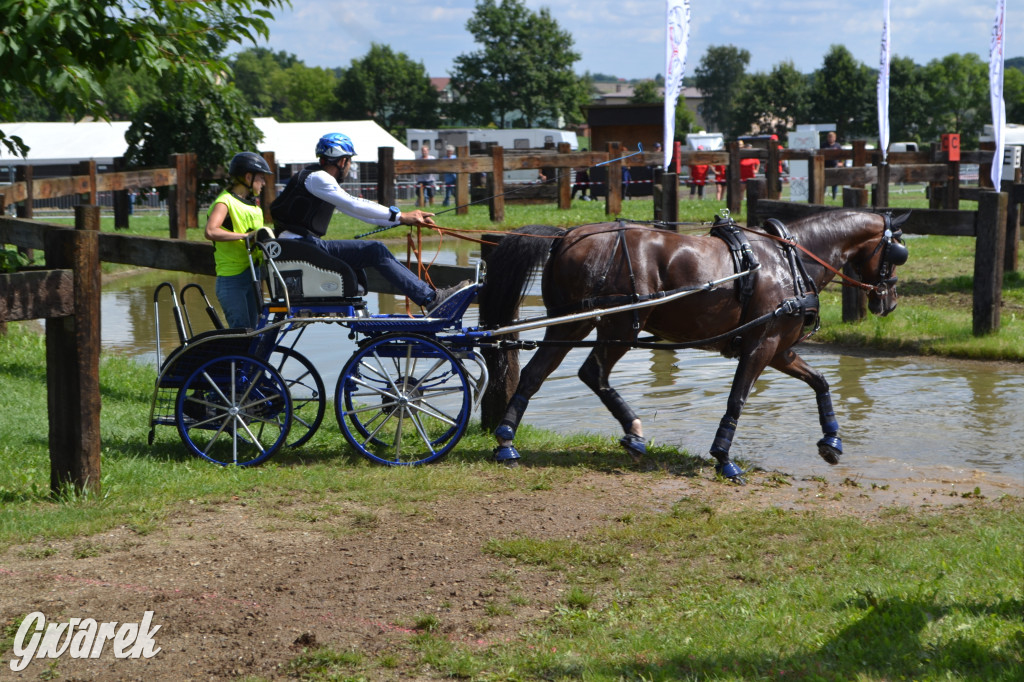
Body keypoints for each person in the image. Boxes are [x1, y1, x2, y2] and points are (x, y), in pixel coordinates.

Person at [270, 133, 468, 311]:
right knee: (375, 250)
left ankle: (431, 298)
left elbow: (358, 213)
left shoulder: (318, 181)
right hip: (301, 246)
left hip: (301, 246)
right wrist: (401, 216)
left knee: (373, 251)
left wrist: (403, 221)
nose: (349, 167)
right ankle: (432, 299)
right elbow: (354, 204)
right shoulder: (319, 178)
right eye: (350, 162)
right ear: (343, 161)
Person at [204, 152, 272, 329]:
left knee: (256, 330)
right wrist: (245, 237)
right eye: (261, 178)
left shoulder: (254, 206)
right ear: (248, 177)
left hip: (253, 274)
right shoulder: (225, 202)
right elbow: (211, 231)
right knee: (241, 330)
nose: (263, 183)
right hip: (232, 278)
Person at [823, 131, 842, 199]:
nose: (830, 138)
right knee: (824, 182)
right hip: (825, 166)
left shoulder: (838, 145)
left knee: (835, 183)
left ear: (835, 138)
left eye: (832, 137)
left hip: (835, 166)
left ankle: (834, 197)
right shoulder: (824, 145)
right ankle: (822, 196)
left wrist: (841, 163)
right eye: (829, 137)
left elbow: (842, 155)